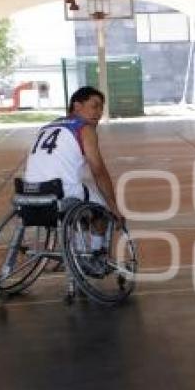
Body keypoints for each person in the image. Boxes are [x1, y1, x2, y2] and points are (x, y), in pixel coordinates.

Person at [23, 86, 123, 273]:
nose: (99, 113)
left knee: (82, 199)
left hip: (27, 191)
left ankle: (76, 251)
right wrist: (114, 208)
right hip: (59, 191)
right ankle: (95, 255)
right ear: (77, 106)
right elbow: (99, 171)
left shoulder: (47, 127)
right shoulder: (84, 129)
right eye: (95, 106)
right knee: (101, 211)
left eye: (101, 108)